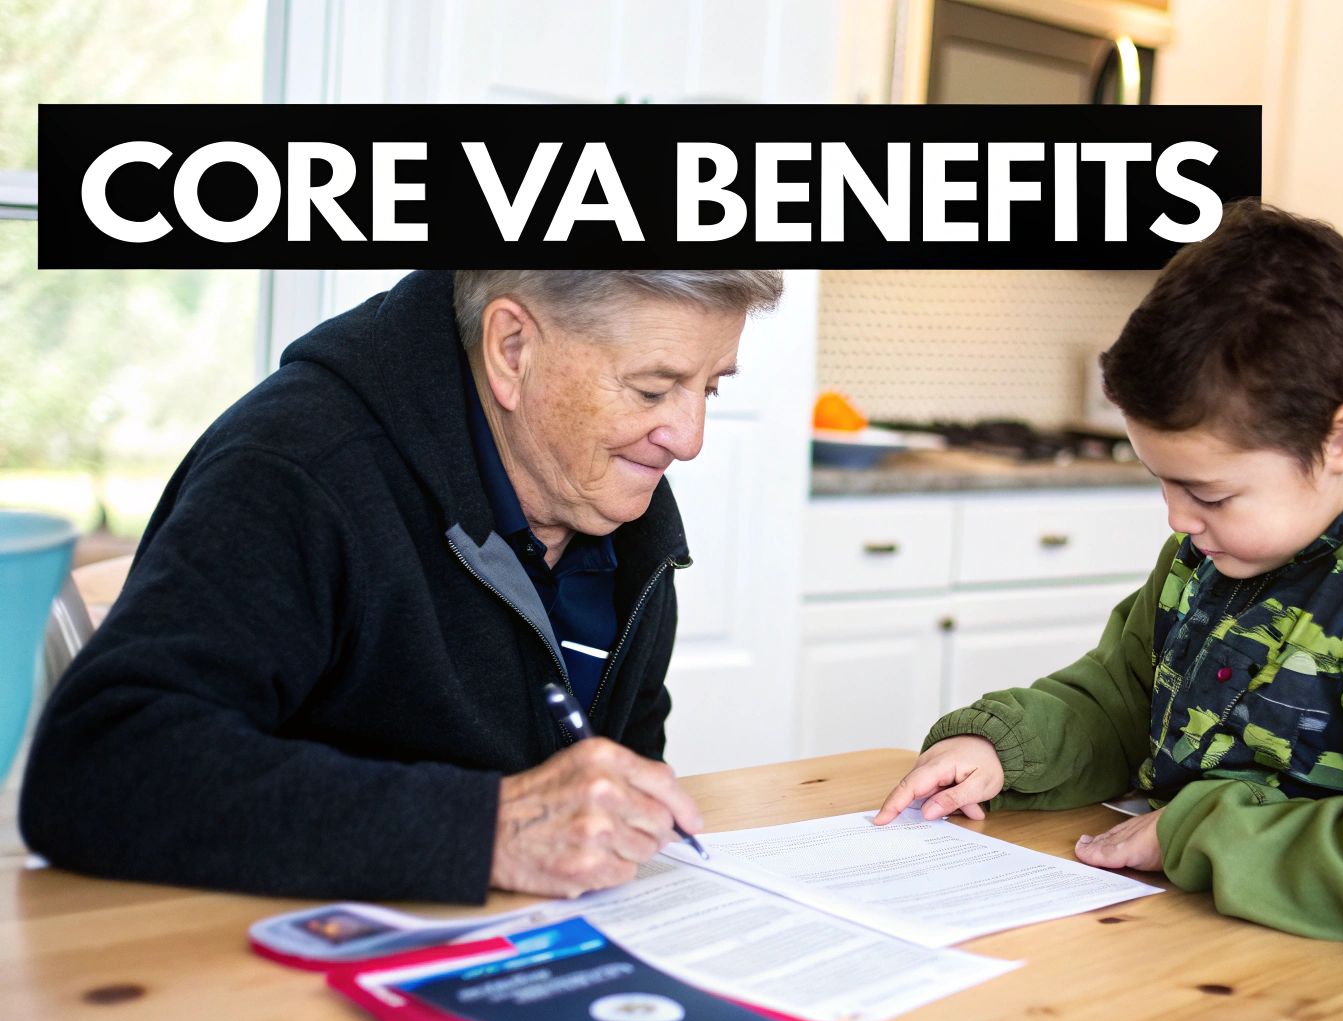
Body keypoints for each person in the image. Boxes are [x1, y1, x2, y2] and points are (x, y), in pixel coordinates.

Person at [874, 201, 1343, 959]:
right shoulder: (1227, 546)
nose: (1176, 520)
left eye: (1209, 493)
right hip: (1241, 950)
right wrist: (1006, 751)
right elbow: (1125, 699)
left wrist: (1201, 832)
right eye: (1163, 484)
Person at [21, 268, 782, 902]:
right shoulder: (300, 465)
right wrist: (487, 831)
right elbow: (100, 767)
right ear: (512, 348)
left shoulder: (619, 507)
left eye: (709, 389)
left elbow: (609, 788)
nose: (689, 439)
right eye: (653, 390)